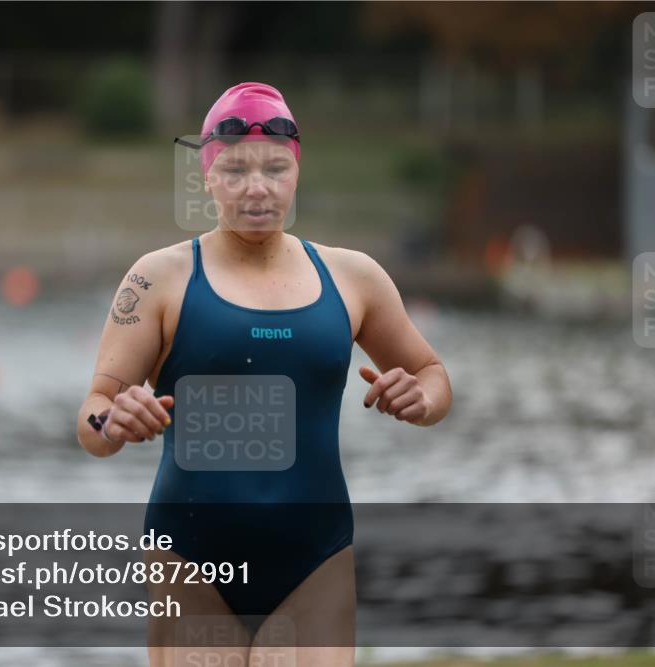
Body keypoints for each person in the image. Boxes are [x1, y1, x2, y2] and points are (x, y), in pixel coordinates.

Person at [77, 82, 452, 667]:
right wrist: (113, 420)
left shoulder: (355, 277)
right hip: (191, 558)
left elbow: (432, 374)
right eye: (234, 171)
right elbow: (93, 415)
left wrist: (422, 400)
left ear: (296, 171)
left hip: (316, 559)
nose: (257, 187)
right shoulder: (158, 279)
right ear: (206, 177)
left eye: (276, 168)